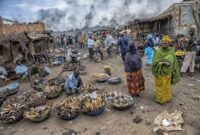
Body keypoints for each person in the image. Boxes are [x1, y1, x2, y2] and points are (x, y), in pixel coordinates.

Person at [152, 35, 180, 105]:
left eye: (166, 43)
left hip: (168, 73)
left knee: (167, 86)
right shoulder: (158, 51)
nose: (164, 44)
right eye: (163, 43)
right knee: (161, 86)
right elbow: (155, 62)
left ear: (169, 43)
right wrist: (163, 62)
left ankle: (167, 98)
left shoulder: (171, 51)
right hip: (160, 73)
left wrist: (172, 67)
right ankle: (160, 100)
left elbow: (175, 61)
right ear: (161, 43)